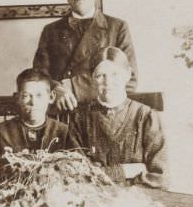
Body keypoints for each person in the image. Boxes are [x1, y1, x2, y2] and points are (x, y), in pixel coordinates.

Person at [33, 0, 138, 112]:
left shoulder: (117, 27)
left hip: (102, 113)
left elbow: (131, 79)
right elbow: (38, 78)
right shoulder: (50, 31)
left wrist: (73, 87)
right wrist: (56, 88)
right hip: (63, 115)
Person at [67, 47, 168, 189]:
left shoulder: (146, 117)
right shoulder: (79, 118)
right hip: (95, 200)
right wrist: (125, 171)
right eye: (100, 75)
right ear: (91, 78)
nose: (108, 82)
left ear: (128, 74)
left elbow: (160, 178)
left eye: (115, 74)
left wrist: (102, 172)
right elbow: (77, 175)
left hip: (139, 201)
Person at [0, 68, 68, 160]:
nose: (33, 102)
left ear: (51, 97)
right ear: (18, 98)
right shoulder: (0, 132)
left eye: (39, 95)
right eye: (26, 96)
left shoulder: (63, 132)